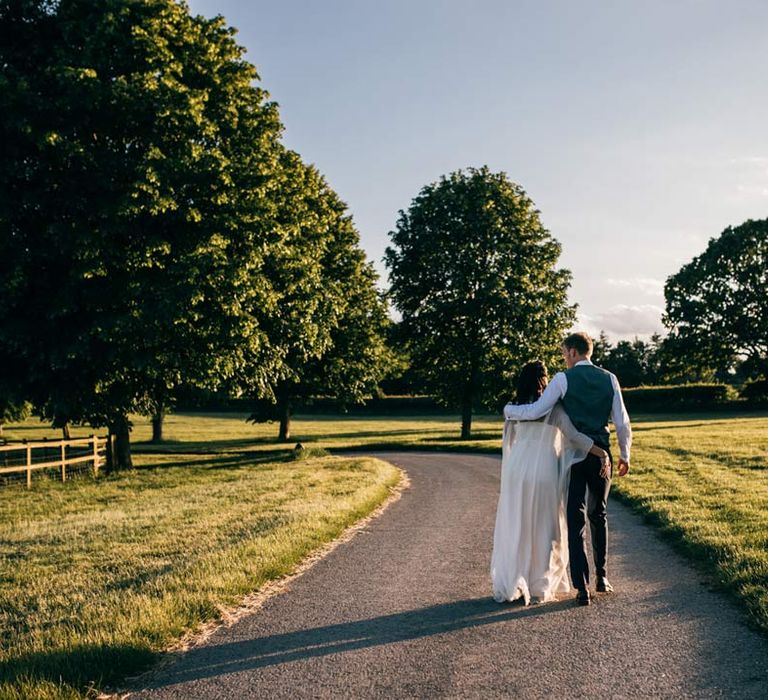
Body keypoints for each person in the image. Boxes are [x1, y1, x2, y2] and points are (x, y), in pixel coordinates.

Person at [504, 332, 632, 606]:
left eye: (564, 352)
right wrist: (625, 454)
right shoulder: (610, 378)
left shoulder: (563, 379)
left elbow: (538, 409)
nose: (564, 357)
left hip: (575, 457)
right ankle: (603, 577)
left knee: (575, 520)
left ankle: (582, 587)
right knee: (600, 514)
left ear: (573, 352)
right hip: (601, 456)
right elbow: (622, 422)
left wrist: (509, 411)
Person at [491, 360, 611, 605]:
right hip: (545, 470)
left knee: (519, 524)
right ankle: (539, 582)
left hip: (517, 471)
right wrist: (600, 452)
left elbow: (509, 442)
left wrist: (516, 468)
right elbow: (574, 437)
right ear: (544, 382)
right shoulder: (554, 410)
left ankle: (516, 578)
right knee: (545, 527)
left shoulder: (512, 409)